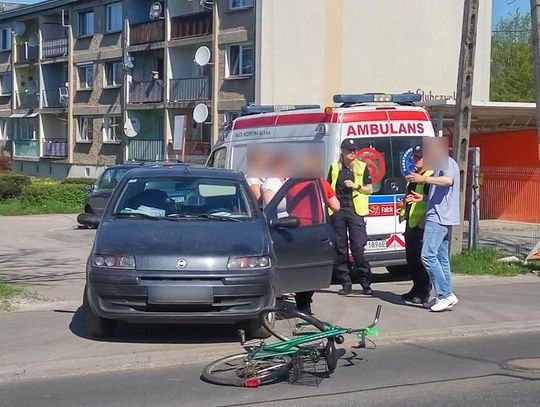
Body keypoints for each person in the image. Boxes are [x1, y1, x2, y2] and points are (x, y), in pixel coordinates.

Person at [406, 139, 460, 312]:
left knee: (428, 256)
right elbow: (440, 191)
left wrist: (424, 178)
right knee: (441, 257)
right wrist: (422, 198)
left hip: (439, 217)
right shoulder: (439, 165)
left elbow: (448, 181)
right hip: (439, 215)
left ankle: (446, 294)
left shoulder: (446, 162)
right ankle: (444, 295)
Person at [328, 138, 373, 296]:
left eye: (355, 150)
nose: (353, 153)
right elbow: (328, 189)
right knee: (340, 249)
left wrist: (356, 186)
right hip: (338, 211)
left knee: (358, 248)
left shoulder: (362, 167)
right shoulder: (335, 167)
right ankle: (346, 283)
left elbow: (370, 189)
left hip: (355, 211)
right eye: (349, 150)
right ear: (343, 151)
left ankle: (366, 283)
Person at [291, 178, 340, 314]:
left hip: (296, 230)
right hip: (316, 230)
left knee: (300, 268)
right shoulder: (321, 183)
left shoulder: (291, 183)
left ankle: (301, 301)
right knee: (314, 268)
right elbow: (336, 206)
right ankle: (305, 303)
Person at [399, 146, 434, 304]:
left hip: (422, 222)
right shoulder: (414, 176)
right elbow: (411, 196)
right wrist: (404, 202)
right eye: (415, 157)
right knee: (411, 258)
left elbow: (433, 200)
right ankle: (416, 288)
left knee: (421, 259)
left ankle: (424, 291)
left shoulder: (429, 176)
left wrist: (422, 199)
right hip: (411, 222)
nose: (417, 160)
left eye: (420, 157)